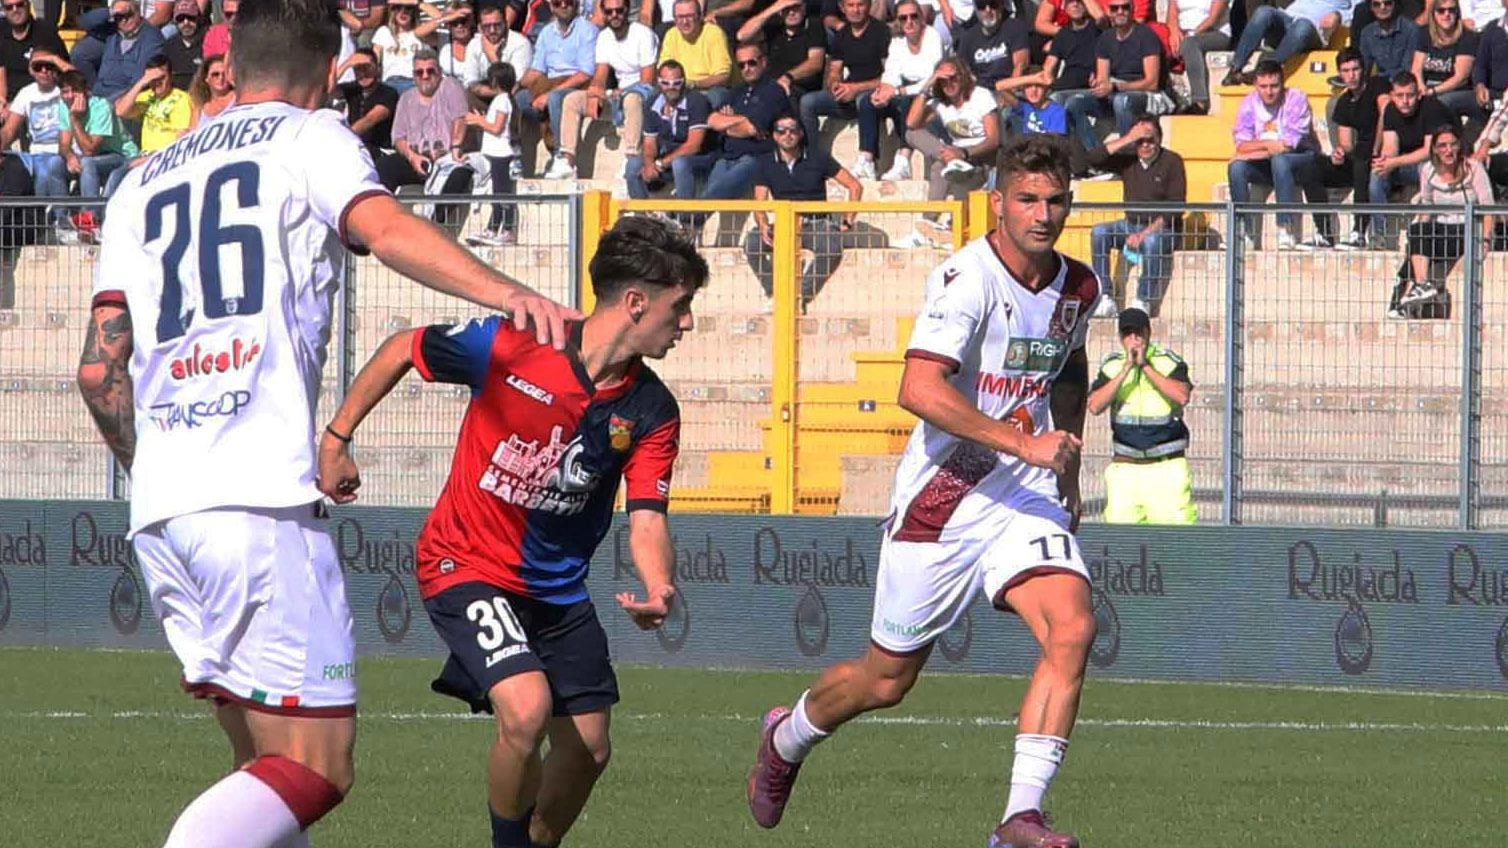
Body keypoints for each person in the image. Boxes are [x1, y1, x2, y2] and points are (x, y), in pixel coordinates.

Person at [77, 0, 576, 846]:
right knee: (317, 764)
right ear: (328, 70)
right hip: (257, 504)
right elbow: (378, 227)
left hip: (162, 506)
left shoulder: (141, 179)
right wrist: (507, 292)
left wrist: (155, 470)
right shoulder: (310, 139)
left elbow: (98, 371)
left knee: (263, 767)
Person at [746, 133, 1099, 848]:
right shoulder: (966, 279)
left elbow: (1066, 364)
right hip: (946, 495)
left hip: (1023, 491)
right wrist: (1024, 441)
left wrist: (1065, 465)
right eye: (1027, 199)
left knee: (1073, 624)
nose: (1043, 213)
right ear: (998, 203)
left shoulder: (1081, 286)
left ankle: (1018, 817)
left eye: (1055, 200)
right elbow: (917, 387)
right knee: (886, 680)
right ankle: (788, 738)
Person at [315, 215, 702, 848]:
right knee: (525, 711)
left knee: (590, 750)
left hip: (557, 591)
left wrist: (659, 584)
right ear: (636, 302)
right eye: (680, 306)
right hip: (463, 563)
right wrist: (336, 439)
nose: (686, 323)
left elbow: (648, 515)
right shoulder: (515, 343)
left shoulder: (652, 410)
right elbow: (402, 349)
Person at [1086, 306, 1196, 524]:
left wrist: (1145, 366)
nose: (1134, 340)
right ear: (1120, 337)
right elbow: (1095, 405)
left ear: (1148, 333)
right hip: (1126, 469)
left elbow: (1181, 396)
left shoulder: (1168, 362)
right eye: (1127, 334)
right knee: (1122, 546)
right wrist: (1126, 369)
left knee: (1175, 545)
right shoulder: (1112, 366)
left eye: (1138, 334)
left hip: (1166, 469)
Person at [744, 116, 861, 307]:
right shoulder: (764, 163)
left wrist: (848, 219)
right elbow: (759, 202)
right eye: (781, 130)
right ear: (774, 135)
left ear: (800, 133)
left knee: (831, 249)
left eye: (792, 130)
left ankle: (799, 296)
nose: (787, 135)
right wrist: (764, 225)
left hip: (816, 223)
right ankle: (776, 293)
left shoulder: (818, 157)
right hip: (784, 223)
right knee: (752, 243)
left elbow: (854, 186)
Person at [545, 0, 658, 178]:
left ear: (627, 10)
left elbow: (648, 80)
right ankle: (567, 161)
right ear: (603, 12)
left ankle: (631, 158)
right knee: (572, 99)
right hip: (618, 96)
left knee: (631, 98)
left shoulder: (643, 34)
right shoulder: (604, 36)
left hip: (644, 96)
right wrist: (595, 91)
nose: (614, 15)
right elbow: (600, 74)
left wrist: (623, 92)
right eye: (609, 11)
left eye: (619, 11)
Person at [1389, 123, 1493, 316]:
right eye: (1443, 146)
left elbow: (1488, 208)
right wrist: (1417, 235)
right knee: (1417, 234)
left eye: (1453, 145)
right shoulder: (1428, 171)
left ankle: (1399, 304)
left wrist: (1486, 239)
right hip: (1441, 228)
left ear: (1459, 146)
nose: (1449, 150)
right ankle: (1420, 286)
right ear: (1435, 149)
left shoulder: (1473, 169)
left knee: (1420, 241)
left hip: (1466, 229)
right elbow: (1427, 205)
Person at [1227, 60, 1330, 249]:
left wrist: (1251, 151)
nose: (1269, 91)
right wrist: (1261, 148)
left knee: (1280, 161)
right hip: (1270, 163)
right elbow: (1241, 144)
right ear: (1256, 85)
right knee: (1236, 168)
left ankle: (1286, 228)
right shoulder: (1249, 102)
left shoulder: (1297, 99)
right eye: (1263, 86)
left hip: (1303, 160)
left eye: (1274, 86)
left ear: (1283, 84)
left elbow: (1288, 145)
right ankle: (1244, 232)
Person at [1087, 117, 1185, 315]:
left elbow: (1175, 207)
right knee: (1099, 232)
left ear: (1159, 139)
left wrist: (1143, 234)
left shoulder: (1172, 161)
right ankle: (1105, 297)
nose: (1145, 145)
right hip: (1130, 224)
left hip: (1163, 229)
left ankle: (1143, 299)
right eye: (1140, 141)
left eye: (1150, 139)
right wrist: (1128, 138)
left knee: (1151, 242)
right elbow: (1091, 159)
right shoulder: (1128, 159)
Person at [898, 58, 999, 248]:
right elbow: (911, 124)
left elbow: (994, 140)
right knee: (914, 137)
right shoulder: (940, 103)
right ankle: (927, 227)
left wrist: (964, 153)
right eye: (942, 80)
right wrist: (927, 84)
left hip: (981, 158)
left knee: (938, 168)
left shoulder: (981, 95)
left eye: (953, 78)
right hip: (956, 159)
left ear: (963, 77)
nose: (949, 84)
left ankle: (927, 227)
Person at [797, 0, 888, 177]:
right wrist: (835, 84)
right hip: (848, 95)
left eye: (860, 5)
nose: (856, 10)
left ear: (869, 6)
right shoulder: (843, 34)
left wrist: (856, 88)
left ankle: (868, 161)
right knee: (808, 102)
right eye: (851, 5)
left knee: (864, 99)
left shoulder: (881, 31)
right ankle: (811, 158)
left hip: (875, 95)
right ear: (842, 8)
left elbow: (889, 76)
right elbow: (835, 70)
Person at [1064, 0, 1164, 152]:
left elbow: (1152, 83)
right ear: (1108, 11)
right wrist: (1100, 85)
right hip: (1115, 92)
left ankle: (1128, 156)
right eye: (1114, 8)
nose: (1120, 11)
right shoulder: (1106, 38)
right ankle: (1097, 156)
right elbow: (1103, 77)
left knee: (1121, 101)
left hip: (1143, 94)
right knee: (1073, 103)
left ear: (1132, 9)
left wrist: (1117, 86)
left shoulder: (1146, 35)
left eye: (1125, 7)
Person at [1370, 70, 1453, 240]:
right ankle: (1380, 236)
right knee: (1376, 175)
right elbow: (1390, 147)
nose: (1405, 101)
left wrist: (1394, 162)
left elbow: (1430, 151)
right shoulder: (1391, 110)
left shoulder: (1431, 108)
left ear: (1419, 94)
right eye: (1400, 96)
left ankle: (1425, 233)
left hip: (1438, 163)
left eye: (1410, 95)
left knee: (1427, 168)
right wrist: (1385, 163)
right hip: (1407, 163)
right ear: (1392, 95)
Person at [866, 0, 943, 181]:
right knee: (867, 102)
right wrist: (883, 91)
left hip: (931, 92)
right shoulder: (897, 42)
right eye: (903, 18)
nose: (909, 21)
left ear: (922, 18)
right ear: (898, 21)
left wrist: (898, 91)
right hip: (903, 90)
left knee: (910, 100)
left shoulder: (932, 36)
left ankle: (903, 159)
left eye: (913, 16)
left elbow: (930, 77)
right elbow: (891, 72)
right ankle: (866, 158)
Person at [515, 0, 597, 165]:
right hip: (548, 82)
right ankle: (519, 159)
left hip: (577, 84)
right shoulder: (546, 33)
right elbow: (536, 70)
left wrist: (548, 94)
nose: (563, 6)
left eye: (568, 2)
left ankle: (562, 156)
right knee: (519, 98)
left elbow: (585, 74)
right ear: (551, 6)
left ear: (576, 4)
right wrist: (514, 87)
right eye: (557, 3)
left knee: (556, 99)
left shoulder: (588, 30)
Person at [1323, 48, 1387, 248]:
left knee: (1361, 160)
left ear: (1363, 69)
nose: (1351, 75)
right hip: (1361, 152)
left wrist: (1376, 147)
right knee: (1314, 167)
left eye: (1355, 69)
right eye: (1346, 70)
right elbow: (1347, 143)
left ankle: (1359, 230)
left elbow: (1385, 113)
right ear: (1340, 73)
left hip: (1385, 147)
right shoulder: (1344, 101)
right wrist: (1340, 152)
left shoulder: (1377, 85)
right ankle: (1324, 233)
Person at [626, 58, 713, 199]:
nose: (670, 87)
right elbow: (649, 142)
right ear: (658, 82)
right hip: (668, 157)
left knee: (680, 163)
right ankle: (640, 215)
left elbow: (694, 146)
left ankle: (684, 216)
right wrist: (649, 164)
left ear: (684, 82)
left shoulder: (696, 101)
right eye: (665, 83)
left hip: (700, 158)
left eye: (676, 83)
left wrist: (661, 163)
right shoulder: (652, 103)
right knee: (633, 164)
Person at [1221, 0, 1349, 86]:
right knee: (1263, 11)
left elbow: (1358, 11)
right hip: (1288, 18)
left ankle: (1265, 69)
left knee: (1302, 24)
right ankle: (1235, 69)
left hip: (1313, 30)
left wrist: (1338, 15)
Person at [465, 60, 521, 245]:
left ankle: (505, 230)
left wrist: (477, 121)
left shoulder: (502, 100)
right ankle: (492, 228)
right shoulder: (502, 100)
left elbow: (497, 128)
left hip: (500, 154)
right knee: (497, 193)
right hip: (495, 154)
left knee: (501, 194)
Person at [1411, 0, 1485, 131]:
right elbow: (1416, 69)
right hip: (1426, 89)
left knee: (1440, 103)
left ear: (1458, 13)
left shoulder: (1467, 37)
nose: (1446, 14)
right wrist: (1421, 87)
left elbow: (1460, 78)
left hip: (1456, 91)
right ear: (1433, 13)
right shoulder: (1424, 34)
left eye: (1451, 10)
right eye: (1441, 10)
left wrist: (1432, 92)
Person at [735, 0, 825, 104]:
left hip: (798, 87)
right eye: (786, 9)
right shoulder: (775, 27)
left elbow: (815, 62)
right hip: (770, 85)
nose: (791, 12)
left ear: (804, 8)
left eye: (796, 8)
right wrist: (774, 8)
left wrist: (788, 77)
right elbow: (742, 36)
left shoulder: (813, 25)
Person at [113, 52, 192, 153]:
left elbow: (182, 137)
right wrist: (141, 82)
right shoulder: (147, 96)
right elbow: (120, 111)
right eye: (153, 79)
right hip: (144, 155)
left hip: (164, 155)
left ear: (171, 76)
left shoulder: (181, 99)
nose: (157, 82)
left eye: (162, 78)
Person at [658, 0, 731, 107]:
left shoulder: (714, 34)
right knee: (652, 97)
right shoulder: (671, 35)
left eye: (689, 16)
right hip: (677, 87)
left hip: (708, 89)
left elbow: (723, 76)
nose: (685, 22)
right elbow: (664, 69)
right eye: (680, 17)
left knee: (714, 96)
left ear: (700, 16)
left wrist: (694, 84)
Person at [94, 0, 167, 102]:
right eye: (119, 17)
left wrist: (106, 103)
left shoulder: (152, 38)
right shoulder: (112, 36)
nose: (124, 20)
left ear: (138, 13)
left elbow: (138, 82)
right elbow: (83, 22)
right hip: (99, 95)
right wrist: (110, 12)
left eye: (128, 15)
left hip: (125, 99)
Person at [334, 47, 400, 158]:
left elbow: (369, 120)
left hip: (381, 151)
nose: (363, 73)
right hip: (356, 146)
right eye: (358, 68)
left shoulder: (389, 93)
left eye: (367, 68)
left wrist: (343, 137)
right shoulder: (353, 89)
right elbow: (327, 90)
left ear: (377, 69)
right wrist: (346, 64)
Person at [1166, 0, 1228, 114]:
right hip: (1185, 34)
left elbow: (1213, 18)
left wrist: (1191, 34)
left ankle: (1200, 101)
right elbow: (1171, 16)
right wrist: (1174, 32)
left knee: (1190, 44)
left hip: (1214, 33)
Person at [0, 0, 67, 106]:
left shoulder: (46, 33)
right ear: (4, 10)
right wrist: (2, 102)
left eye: (19, 5)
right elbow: (1, 72)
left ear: (28, 5)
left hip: (42, 100)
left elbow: (66, 71)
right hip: (10, 103)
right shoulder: (2, 33)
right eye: (9, 7)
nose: (15, 10)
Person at [1357, 0, 1420, 80]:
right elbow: (1365, 67)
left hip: (1405, 83)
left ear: (1395, 5)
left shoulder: (1411, 29)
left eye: (1388, 3)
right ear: (1371, 8)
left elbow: (1407, 67)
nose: (1382, 7)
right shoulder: (1367, 33)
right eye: (1376, 4)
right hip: (1381, 83)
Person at [162, 0, 207, 90]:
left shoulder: (208, 43)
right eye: (181, 19)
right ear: (176, 22)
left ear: (198, 18)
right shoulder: (169, 46)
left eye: (190, 18)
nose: (186, 22)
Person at [186, 50, 232, 124]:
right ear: (206, 78)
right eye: (215, 74)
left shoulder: (238, 98)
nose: (221, 78)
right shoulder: (200, 108)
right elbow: (193, 132)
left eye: (225, 74)